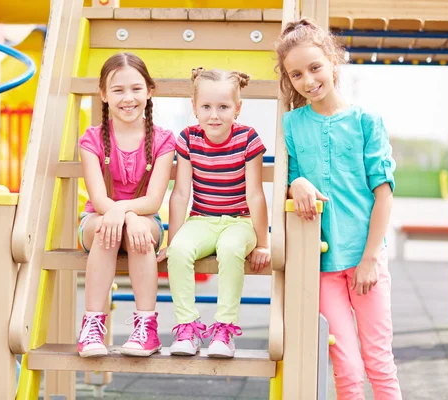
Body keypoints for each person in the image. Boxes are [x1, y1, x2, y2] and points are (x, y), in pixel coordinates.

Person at [275, 18, 402, 399]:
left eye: (314, 67)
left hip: (366, 262)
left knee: (378, 361)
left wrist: (367, 260)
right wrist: (294, 182)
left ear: (333, 61)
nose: (307, 80)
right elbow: (288, 177)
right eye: (295, 74)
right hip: (322, 265)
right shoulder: (292, 124)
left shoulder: (366, 121)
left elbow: (384, 194)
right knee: (345, 367)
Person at [156, 67, 271, 358]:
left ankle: (224, 328)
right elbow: (181, 193)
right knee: (179, 250)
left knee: (231, 248)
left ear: (237, 108)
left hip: (239, 221)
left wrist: (263, 242)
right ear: (194, 107)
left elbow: (255, 193)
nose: (214, 115)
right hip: (201, 219)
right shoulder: (188, 139)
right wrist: (172, 239)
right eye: (206, 107)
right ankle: (187, 327)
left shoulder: (248, 139)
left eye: (223, 107)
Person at [76, 52, 175, 358]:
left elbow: (154, 200)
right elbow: (99, 199)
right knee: (108, 229)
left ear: (149, 91)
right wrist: (121, 214)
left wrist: (130, 216)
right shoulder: (92, 139)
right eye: (118, 90)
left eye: (136, 88)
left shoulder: (163, 139)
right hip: (99, 220)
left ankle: (146, 326)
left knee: (140, 234)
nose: (128, 98)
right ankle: (92, 325)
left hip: (145, 223)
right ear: (104, 95)